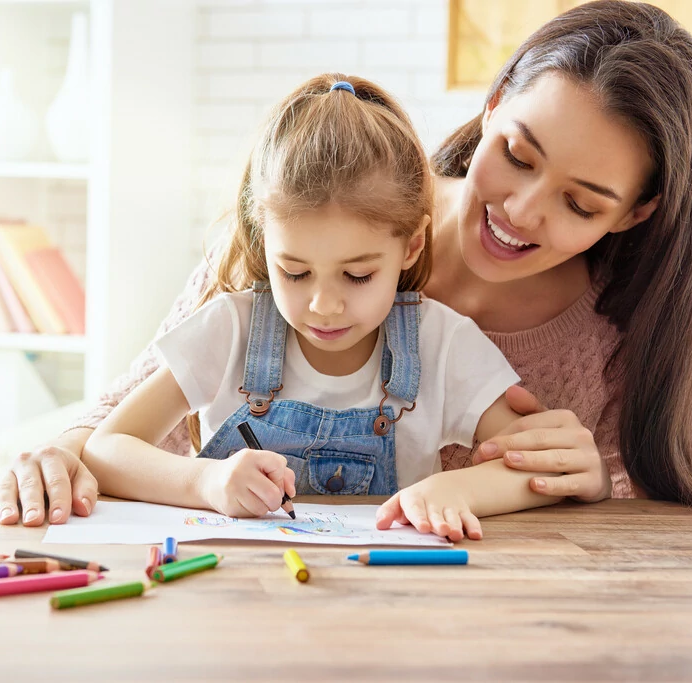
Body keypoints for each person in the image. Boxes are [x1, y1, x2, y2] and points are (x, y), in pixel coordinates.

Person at [0, 0, 692, 528]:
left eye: (581, 203)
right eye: (517, 154)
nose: (524, 210)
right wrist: (61, 452)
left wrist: (594, 482)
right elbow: (128, 414)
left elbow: (631, 522)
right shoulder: (325, 206)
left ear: (636, 213)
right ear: (490, 108)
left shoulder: (615, 332)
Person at [82, 75, 564, 540]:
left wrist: (455, 488)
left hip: (384, 594)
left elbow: (538, 468)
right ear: (262, 240)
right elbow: (106, 449)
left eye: (358, 275)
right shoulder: (232, 329)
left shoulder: (441, 343)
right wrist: (204, 481)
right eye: (294, 271)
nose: (323, 305)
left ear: (413, 245)